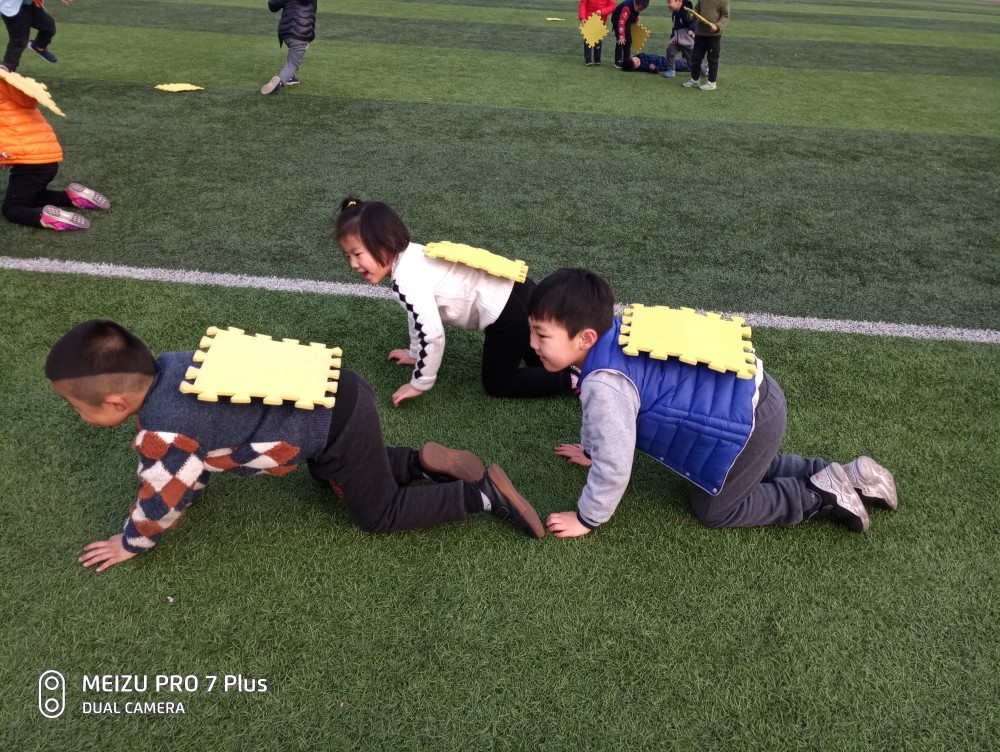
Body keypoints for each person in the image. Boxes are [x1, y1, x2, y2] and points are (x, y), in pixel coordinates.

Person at [46, 321, 546, 572]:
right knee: (328, 474)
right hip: (337, 391)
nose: (78, 414)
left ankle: (482, 496)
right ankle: (417, 463)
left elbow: (162, 496)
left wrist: (130, 542)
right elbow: (194, 462)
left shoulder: (164, 434)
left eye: (77, 406)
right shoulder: (173, 363)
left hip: (332, 424)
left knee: (379, 514)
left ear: (114, 402)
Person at [526, 268, 900, 539]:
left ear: (585, 338)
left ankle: (817, 494)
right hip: (757, 397)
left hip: (749, 420)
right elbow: (604, 430)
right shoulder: (617, 331)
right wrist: (590, 449)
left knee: (715, 509)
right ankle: (843, 473)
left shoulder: (605, 384)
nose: (531, 344)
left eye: (542, 335)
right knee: (744, 467)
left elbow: (615, 464)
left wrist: (587, 518)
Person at [334, 197, 576, 407]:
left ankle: (574, 380)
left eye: (358, 254)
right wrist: (415, 353)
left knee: (499, 383)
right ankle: (574, 371)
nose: (353, 264)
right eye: (347, 256)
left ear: (385, 243)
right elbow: (416, 317)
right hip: (517, 288)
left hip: (506, 313)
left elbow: (432, 335)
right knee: (540, 362)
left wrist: (419, 383)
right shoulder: (412, 254)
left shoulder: (406, 279)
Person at [1, 73, 109, 230]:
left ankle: (48, 219)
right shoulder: (11, 85)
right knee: (34, 197)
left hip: (30, 164)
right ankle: (71, 198)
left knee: (12, 209)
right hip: (47, 158)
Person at [260, 0, 315, 95]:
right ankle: (280, 81)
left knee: (295, 52)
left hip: (286, 32)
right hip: (301, 33)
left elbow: (272, 5)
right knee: (293, 63)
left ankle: (290, 77)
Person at [1, 0, 70, 73]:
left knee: (48, 25)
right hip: (12, 8)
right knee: (19, 41)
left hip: (27, 4)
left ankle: (38, 46)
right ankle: (8, 67)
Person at [681, 0, 729, 91]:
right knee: (696, 58)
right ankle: (694, 80)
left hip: (714, 35)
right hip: (700, 33)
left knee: (712, 60)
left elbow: (725, 16)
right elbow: (696, 10)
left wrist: (717, 26)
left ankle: (712, 83)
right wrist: (692, 15)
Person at [610, 0, 649, 69]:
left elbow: (633, 13)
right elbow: (621, 22)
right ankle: (618, 61)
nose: (639, 11)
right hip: (618, 21)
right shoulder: (627, 7)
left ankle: (626, 59)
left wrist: (635, 19)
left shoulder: (636, 6)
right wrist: (621, 36)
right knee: (621, 41)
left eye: (641, 10)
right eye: (639, 9)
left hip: (626, 21)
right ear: (635, 3)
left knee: (628, 41)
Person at [663, 0, 697, 78]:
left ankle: (704, 71)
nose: (668, 5)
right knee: (670, 50)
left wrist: (692, 29)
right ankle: (671, 70)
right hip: (678, 41)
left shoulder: (687, 13)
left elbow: (695, 21)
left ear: (679, 2)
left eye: (670, 2)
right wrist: (673, 36)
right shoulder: (675, 14)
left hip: (687, 42)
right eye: (667, 2)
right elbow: (675, 27)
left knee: (692, 64)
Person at [578, 0, 615, 67]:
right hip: (588, 19)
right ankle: (588, 58)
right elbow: (583, 4)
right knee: (588, 38)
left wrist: (601, 12)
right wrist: (582, 17)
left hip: (600, 19)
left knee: (598, 39)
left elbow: (612, 6)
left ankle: (597, 58)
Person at [620, 52, 700, 75]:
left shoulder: (640, 56)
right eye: (637, 63)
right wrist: (653, 69)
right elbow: (656, 70)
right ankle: (696, 68)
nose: (638, 60)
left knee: (677, 62)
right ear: (635, 68)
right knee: (679, 66)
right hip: (664, 65)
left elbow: (643, 55)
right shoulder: (644, 67)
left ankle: (687, 63)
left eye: (635, 59)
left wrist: (637, 56)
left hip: (662, 59)